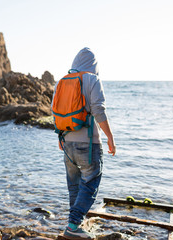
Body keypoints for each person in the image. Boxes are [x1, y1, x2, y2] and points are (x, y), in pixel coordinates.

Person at [52, 47, 116, 240]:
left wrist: (60, 137)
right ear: (93, 65)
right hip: (88, 143)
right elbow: (98, 110)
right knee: (91, 181)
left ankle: (74, 226)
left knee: (74, 185)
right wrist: (110, 137)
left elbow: (55, 111)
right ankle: (73, 225)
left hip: (67, 142)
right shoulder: (92, 79)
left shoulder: (61, 82)